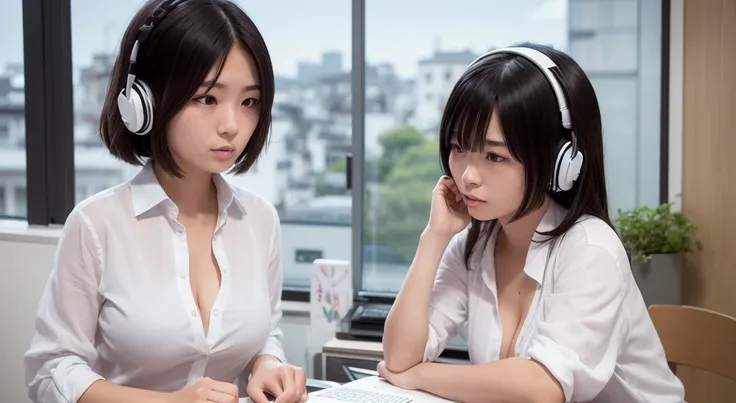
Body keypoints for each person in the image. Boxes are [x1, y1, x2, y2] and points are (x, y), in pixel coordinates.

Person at [23, 1, 307, 402]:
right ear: (144, 101)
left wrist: (268, 366)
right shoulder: (96, 225)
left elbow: (266, 335)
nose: (232, 125)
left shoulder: (260, 220)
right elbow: (51, 370)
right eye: (207, 99)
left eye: (249, 102)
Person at [379, 43, 685, 403]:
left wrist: (422, 375)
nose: (468, 176)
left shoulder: (590, 250)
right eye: (458, 147)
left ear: (560, 163)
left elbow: (542, 388)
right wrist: (434, 238)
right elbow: (399, 357)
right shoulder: (474, 246)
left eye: (495, 155)